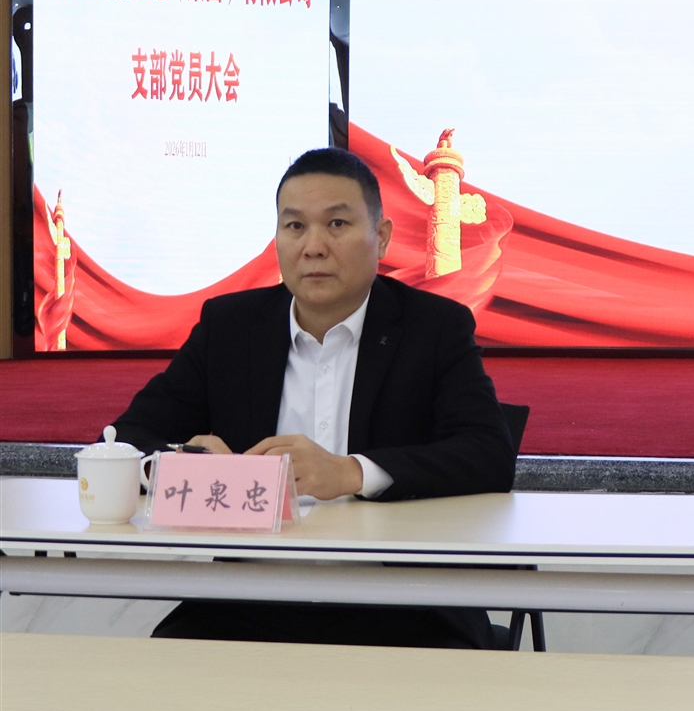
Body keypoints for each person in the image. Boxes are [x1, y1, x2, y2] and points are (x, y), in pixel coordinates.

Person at [112, 147, 518, 649]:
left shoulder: (434, 328)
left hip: (402, 598)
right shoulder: (230, 327)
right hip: (251, 597)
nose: (314, 247)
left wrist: (350, 473)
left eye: (337, 224)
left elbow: (487, 453)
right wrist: (187, 465)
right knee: (158, 671)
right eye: (295, 227)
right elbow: (125, 441)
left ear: (382, 237)